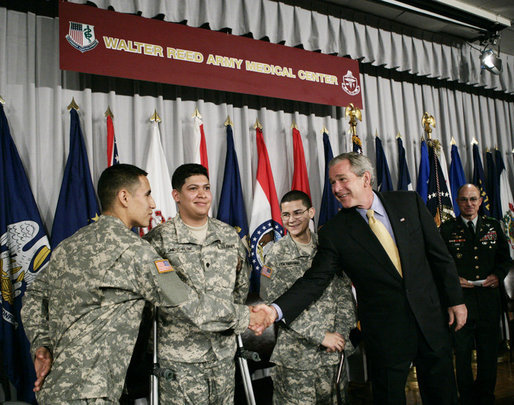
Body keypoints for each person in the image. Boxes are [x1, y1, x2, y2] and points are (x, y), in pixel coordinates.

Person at [251, 152, 467, 405]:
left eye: (342, 180)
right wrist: (275, 311)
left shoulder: (408, 202)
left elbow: (439, 256)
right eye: (332, 183)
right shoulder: (335, 232)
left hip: (430, 320)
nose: (336, 189)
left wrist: (455, 300)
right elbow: (314, 281)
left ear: (365, 178)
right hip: (386, 332)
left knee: (443, 394)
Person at [20, 164, 198, 404]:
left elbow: (33, 296)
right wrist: (246, 316)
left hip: (54, 390)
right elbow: (189, 304)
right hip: (93, 395)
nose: (153, 204)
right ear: (124, 197)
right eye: (147, 194)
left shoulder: (68, 245)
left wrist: (41, 344)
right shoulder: (133, 251)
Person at [143, 163, 254, 405]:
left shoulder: (228, 236)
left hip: (223, 353)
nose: (202, 194)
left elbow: (241, 287)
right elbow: (152, 301)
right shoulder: (158, 240)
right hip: (180, 360)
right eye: (193, 188)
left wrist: (228, 319)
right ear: (176, 195)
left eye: (206, 188)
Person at [260, 190, 357, 404]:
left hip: (333, 355)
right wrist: (320, 336)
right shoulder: (276, 254)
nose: (291, 219)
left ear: (311, 212)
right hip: (297, 359)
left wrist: (339, 334)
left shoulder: (327, 247)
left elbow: (344, 295)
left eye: (297, 212)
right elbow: (275, 305)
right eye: (285, 214)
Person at [440, 184, 512, 405]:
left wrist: (498, 276)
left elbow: (505, 258)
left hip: (489, 299)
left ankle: (486, 396)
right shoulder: (447, 229)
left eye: (473, 199)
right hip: (460, 301)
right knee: (461, 353)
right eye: (463, 200)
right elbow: (441, 263)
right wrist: (454, 281)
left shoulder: (493, 226)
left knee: (488, 352)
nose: (469, 204)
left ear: (480, 201)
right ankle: (467, 397)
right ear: (458, 202)